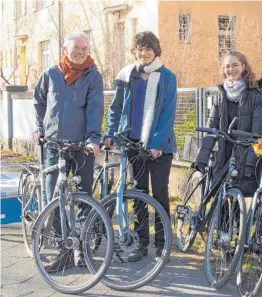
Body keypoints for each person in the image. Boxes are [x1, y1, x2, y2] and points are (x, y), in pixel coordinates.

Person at [33, 32, 104, 272]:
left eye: (84, 48)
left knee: (84, 197)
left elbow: (96, 109)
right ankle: (63, 248)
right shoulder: (51, 74)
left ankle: (81, 249)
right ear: (65, 50)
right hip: (54, 144)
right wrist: (39, 129)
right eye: (76, 48)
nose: (81, 52)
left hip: (81, 147)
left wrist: (93, 139)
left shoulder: (93, 75)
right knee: (54, 197)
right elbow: (38, 101)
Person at [104, 31, 177, 262]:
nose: (143, 53)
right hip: (133, 144)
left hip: (159, 146)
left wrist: (156, 143)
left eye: (148, 48)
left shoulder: (167, 76)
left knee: (160, 194)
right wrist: (111, 134)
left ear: (156, 50)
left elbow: (168, 113)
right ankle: (142, 243)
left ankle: (163, 245)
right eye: (139, 49)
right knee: (138, 195)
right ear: (134, 51)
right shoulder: (127, 76)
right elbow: (115, 108)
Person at [195, 51, 262, 195]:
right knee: (218, 200)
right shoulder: (220, 96)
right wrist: (202, 159)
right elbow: (211, 128)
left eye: (235, 65)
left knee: (237, 199)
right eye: (227, 66)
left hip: (244, 153)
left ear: (243, 67)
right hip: (224, 153)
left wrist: (249, 165)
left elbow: (258, 134)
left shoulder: (255, 96)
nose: (231, 70)